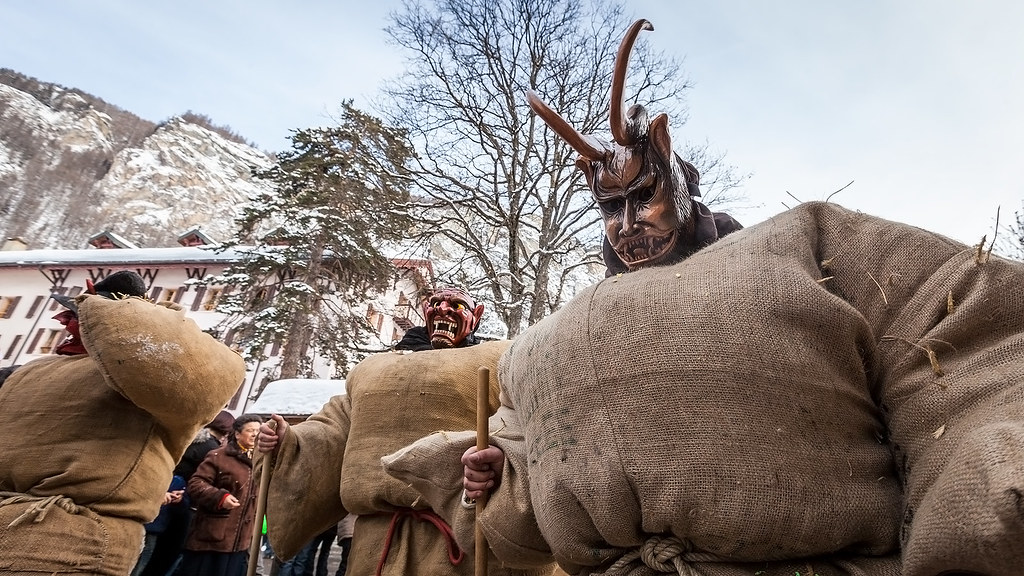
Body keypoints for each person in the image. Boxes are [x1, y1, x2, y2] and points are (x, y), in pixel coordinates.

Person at [381, 19, 1024, 576]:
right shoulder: (581, 336)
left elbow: (950, 340)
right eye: (610, 208)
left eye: (642, 198)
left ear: (674, 176)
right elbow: (534, 453)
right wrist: (497, 472)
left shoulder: (784, 265)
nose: (627, 223)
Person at [256, 287, 556, 575]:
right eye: (436, 303)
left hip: (466, 542)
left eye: (456, 306)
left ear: (476, 315)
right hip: (374, 547)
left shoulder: (503, 361)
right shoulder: (373, 370)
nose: (443, 309)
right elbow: (335, 428)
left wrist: (503, 462)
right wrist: (289, 441)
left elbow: (527, 426)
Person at [0, 270, 246, 575]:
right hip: (43, 532)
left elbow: (217, 373)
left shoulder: (145, 379)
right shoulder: (29, 371)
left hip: (72, 538)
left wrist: (121, 308)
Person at [143, 410, 236, 576]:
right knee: (168, 555)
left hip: (164, 495)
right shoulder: (212, 450)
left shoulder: (192, 440)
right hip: (181, 503)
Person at [177, 413, 262, 576]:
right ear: (237, 434)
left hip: (240, 542)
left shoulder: (260, 461)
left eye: (258, 431)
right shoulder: (219, 456)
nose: (255, 435)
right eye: (250, 430)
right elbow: (195, 484)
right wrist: (220, 497)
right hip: (212, 538)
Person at [132, 476, 187, 576]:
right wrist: (158, 495)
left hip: (154, 531)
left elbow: (181, 512)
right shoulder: (151, 473)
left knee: (139, 568)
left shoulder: (178, 481)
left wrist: (179, 500)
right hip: (135, 524)